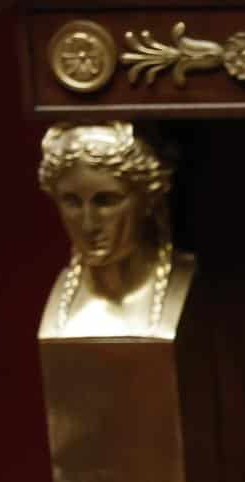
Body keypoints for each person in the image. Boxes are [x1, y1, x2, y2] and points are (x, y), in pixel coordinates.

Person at [37, 123, 193, 339]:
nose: (88, 224)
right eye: (72, 202)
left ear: (149, 199)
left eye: (106, 201)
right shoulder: (63, 302)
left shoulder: (183, 282)